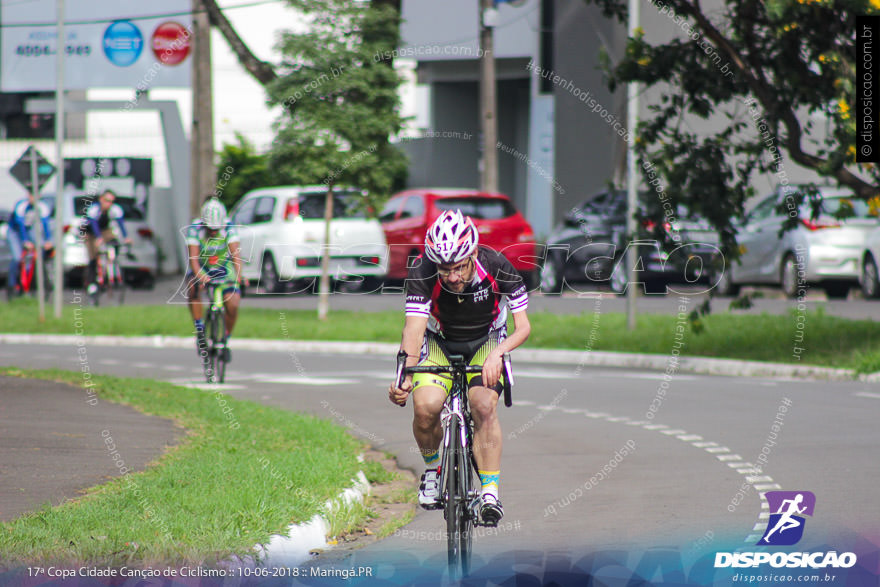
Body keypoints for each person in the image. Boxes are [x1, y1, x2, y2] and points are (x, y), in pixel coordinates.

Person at [388, 210, 530, 526]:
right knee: (425, 408)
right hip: (440, 340)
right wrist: (403, 376)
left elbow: (523, 327)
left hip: (487, 341)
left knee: (482, 405)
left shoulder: (496, 266)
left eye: (460, 267)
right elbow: (414, 329)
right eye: (445, 269)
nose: (453, 277)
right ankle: (432, 470)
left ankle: (490, 492)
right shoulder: (422, 271)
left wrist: (498, 354)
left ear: (474, 253)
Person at [184, 198, 242, 362]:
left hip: (224, 268)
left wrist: (238, 277)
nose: (213, 232)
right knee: (193, 288)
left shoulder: (229, 227)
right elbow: (193, 260)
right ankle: (200, 328)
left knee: (233, 302)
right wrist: (202, 277)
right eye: (210, 229)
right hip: (203, 267)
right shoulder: (194, 229)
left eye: (216, 229)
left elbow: (236, 256)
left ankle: (226, 339)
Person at [83, 189, 133, 295]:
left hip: (105, 230)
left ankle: (111, 262)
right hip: (91, 233)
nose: (109, 204)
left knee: (113, 239)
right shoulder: (94, 209)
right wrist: (98, 238)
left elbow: (121, 224)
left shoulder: (115, 209)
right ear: (101, 199)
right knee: (93, 255)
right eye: (106, 201)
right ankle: (92, 282)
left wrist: (126, 237)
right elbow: (94, 225)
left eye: (111, 201)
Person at [7, 191, 53, 297]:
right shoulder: (21, 205)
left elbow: (45, 225)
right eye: (32, 195)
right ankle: (12, 284)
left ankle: (31, 284)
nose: (33, 198)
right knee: (18, 257)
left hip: (29, 230)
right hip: (15, 232)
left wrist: (48, 240)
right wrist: (25, 241)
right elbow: (20, 225)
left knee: (37, 253)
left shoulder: (42, 207)